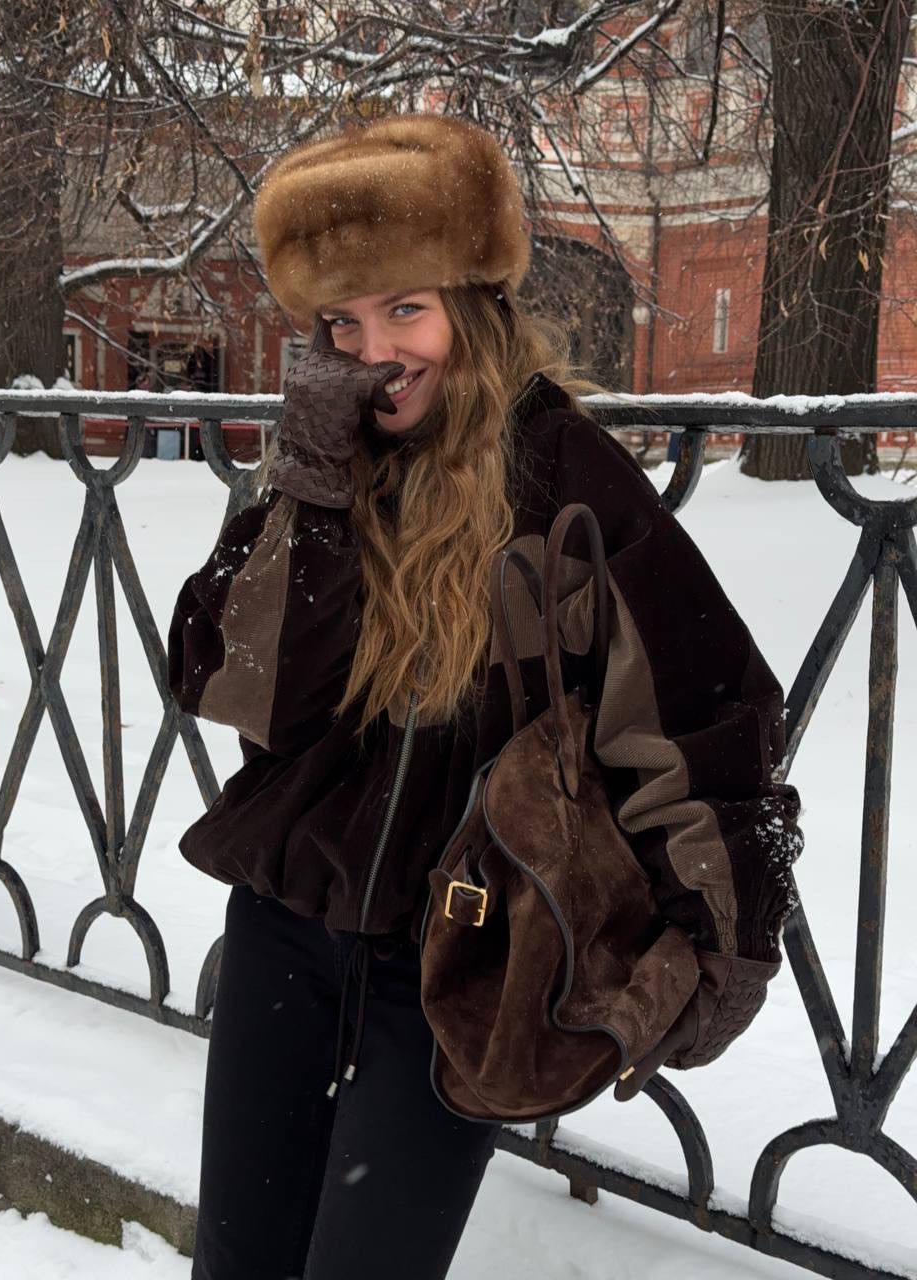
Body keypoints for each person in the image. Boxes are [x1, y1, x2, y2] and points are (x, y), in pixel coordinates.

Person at [167, 113, 801, 1280]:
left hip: (458, 968)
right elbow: (233, 683)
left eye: (405, 309)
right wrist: (312, 488)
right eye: (343, 323)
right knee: (236, 1263)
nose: (376, 351)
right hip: (283, 935)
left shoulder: (567, 483)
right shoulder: (323, 465)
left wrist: (720, 946)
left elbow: (709, 710)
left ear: (473, 303)